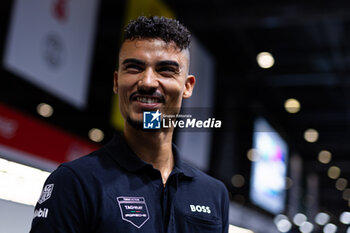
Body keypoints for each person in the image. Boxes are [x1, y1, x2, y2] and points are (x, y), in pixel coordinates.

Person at [30, 16, 229, 233]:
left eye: (165, 70)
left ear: (187, 86)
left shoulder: (214, 194)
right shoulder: (74, 182)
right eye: (134, 68)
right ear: (116, 82)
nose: (147, 82)